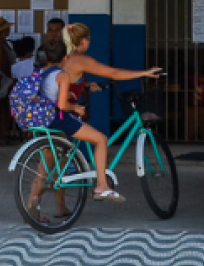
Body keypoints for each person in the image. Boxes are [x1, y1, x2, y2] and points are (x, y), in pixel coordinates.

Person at [53, 24, 163, 203]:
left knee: (51, 164)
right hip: (64, 114)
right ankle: (102, 186)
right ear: (84, 41)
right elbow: (114, 73)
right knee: (101, 139)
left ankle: (44, 204)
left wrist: (86, 85)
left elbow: (65, 80)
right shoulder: (81, 59)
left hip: (51, 112)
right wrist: (145, 73)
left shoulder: (65, 59)